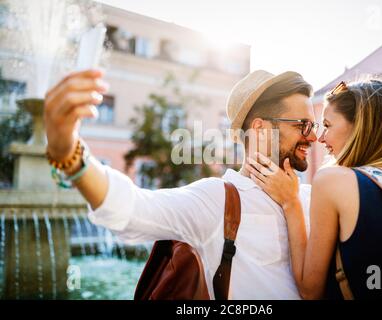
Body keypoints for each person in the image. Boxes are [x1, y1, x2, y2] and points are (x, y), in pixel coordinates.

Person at [44, 69, 318, 299]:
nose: (313, 137)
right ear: (260, 129)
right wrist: (69, 154)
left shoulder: (314, 197)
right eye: (302, 125)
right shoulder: (216, 199)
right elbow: (132, 209)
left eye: (314, 126)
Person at [245, 77, 382, 299]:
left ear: (360, 127)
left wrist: (290, 202)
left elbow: (310, 291)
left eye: (327, 125)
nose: (320, 138)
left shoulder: (333, 181)